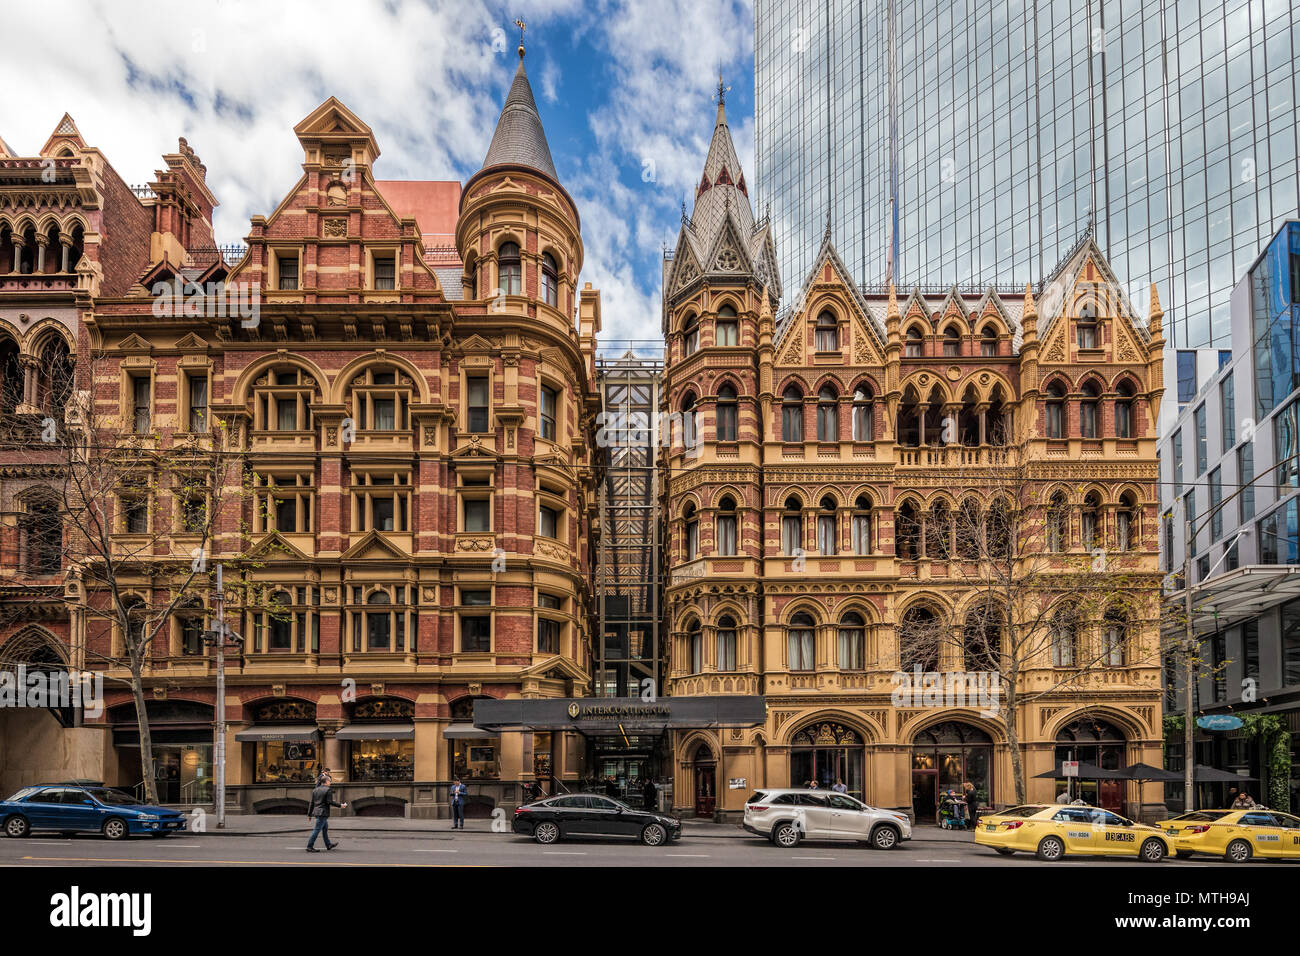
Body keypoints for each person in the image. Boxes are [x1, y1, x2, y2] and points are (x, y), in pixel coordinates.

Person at [306, 774, 345, 852]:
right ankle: (309, 846)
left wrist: (309, 814)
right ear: (326, 781)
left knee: (325, 828)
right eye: (330, 781)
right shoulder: (328, 790)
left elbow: (312, 803)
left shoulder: (315, 790)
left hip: (317, 812)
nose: (330, 782)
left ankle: (328, 845)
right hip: (323, 813)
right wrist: (340, 805)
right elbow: (329, 802)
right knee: (317, 829)